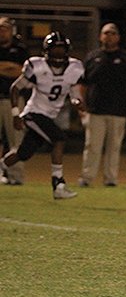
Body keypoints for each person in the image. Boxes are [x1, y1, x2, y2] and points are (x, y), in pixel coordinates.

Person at [0, 32, 85, 199]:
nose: (58, 53)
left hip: (49, 115)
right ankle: (58, 184)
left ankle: (1, 166)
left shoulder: (74, 68)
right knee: (59, 139)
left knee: (23, 154)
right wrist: (16, 114)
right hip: (33, 113)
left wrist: (77, 101)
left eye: (61, 49)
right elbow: (15, 88)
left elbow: (74, 92)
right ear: (47, 50)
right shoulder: (37, 66)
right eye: (55, 49)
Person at [78, 23, 126, 187]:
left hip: (119, 111)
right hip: (95, 110)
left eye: (113, 33)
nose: (109, 36)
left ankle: (111, 179)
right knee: (92, 146)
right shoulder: (92, 57)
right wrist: (81, 105)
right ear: (100, 36)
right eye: (106, 33)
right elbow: (82, 84)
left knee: (114, 148)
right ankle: (87, 178)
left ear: (118, 37)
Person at [0, 17, 28, 185]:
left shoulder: (20, 50)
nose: (2, 31)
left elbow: (21, 72)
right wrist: (8, 67)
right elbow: (12, 69)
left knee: (16, 140)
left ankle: (16, 177)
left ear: (12, 31)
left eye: (5, 28)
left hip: (14, 101)